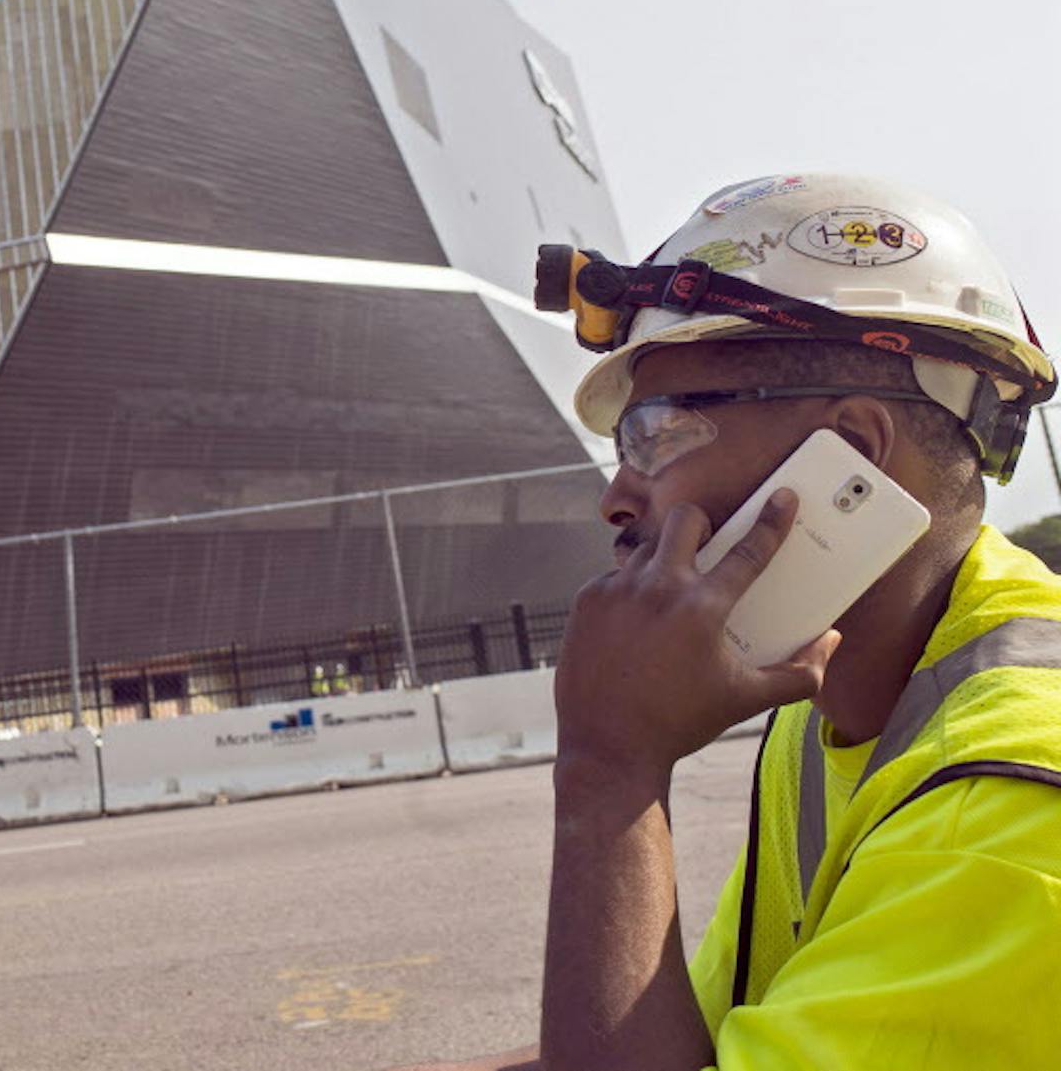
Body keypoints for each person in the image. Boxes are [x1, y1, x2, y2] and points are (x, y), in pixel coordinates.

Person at [396, 175, 1061, 1071]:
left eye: (656, 435)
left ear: (853, 454)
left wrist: (609, 772)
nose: (615, 497)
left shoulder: (1007, 811)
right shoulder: (824, 713)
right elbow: (703, 1034)